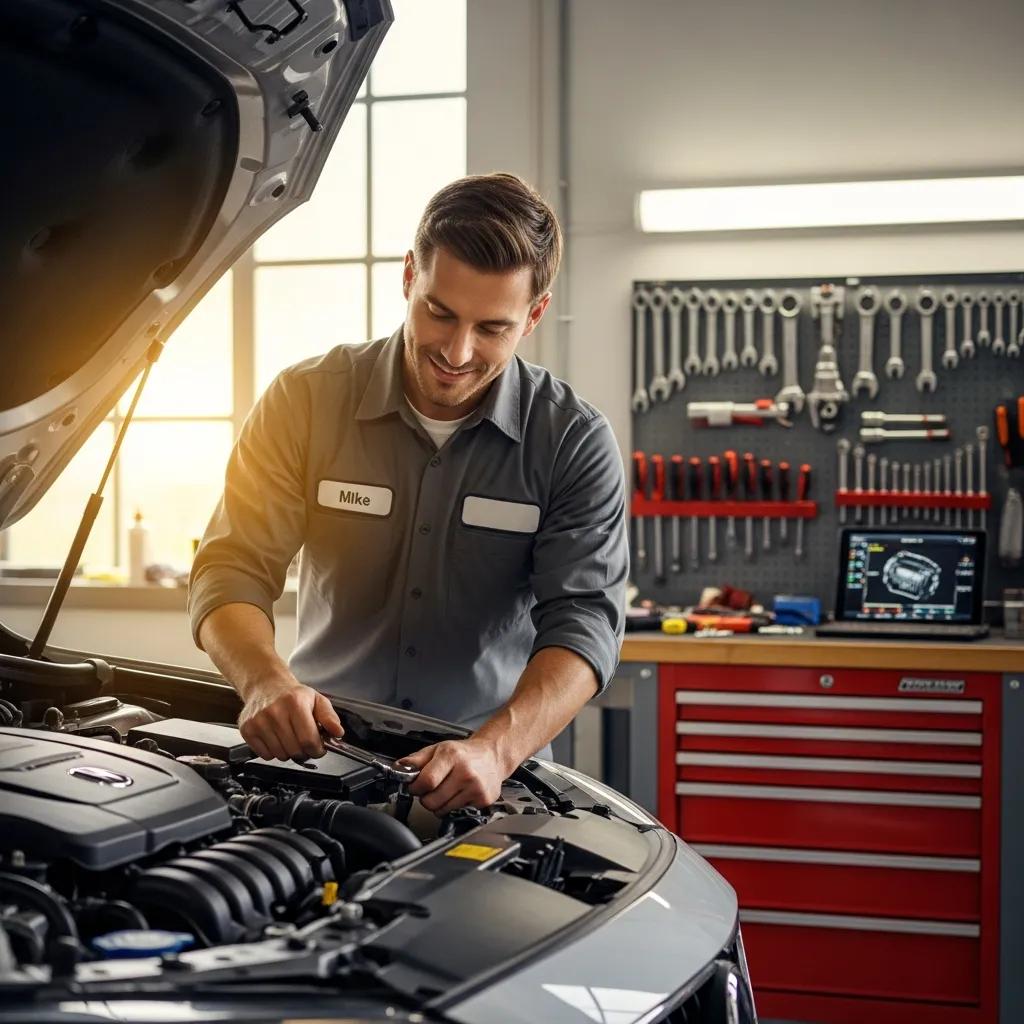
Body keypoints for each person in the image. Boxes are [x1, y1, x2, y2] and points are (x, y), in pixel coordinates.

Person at [188, 172, 628, 815]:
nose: (457, 351)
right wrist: (263, 681)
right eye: (439, 312)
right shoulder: (304, 402)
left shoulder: (572, 442)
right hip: (316, 757)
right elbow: (230, 568)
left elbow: (586, 623)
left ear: (534, 314)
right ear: (407, 278)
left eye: (492, 328)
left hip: (484, 773)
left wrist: (497, 750)